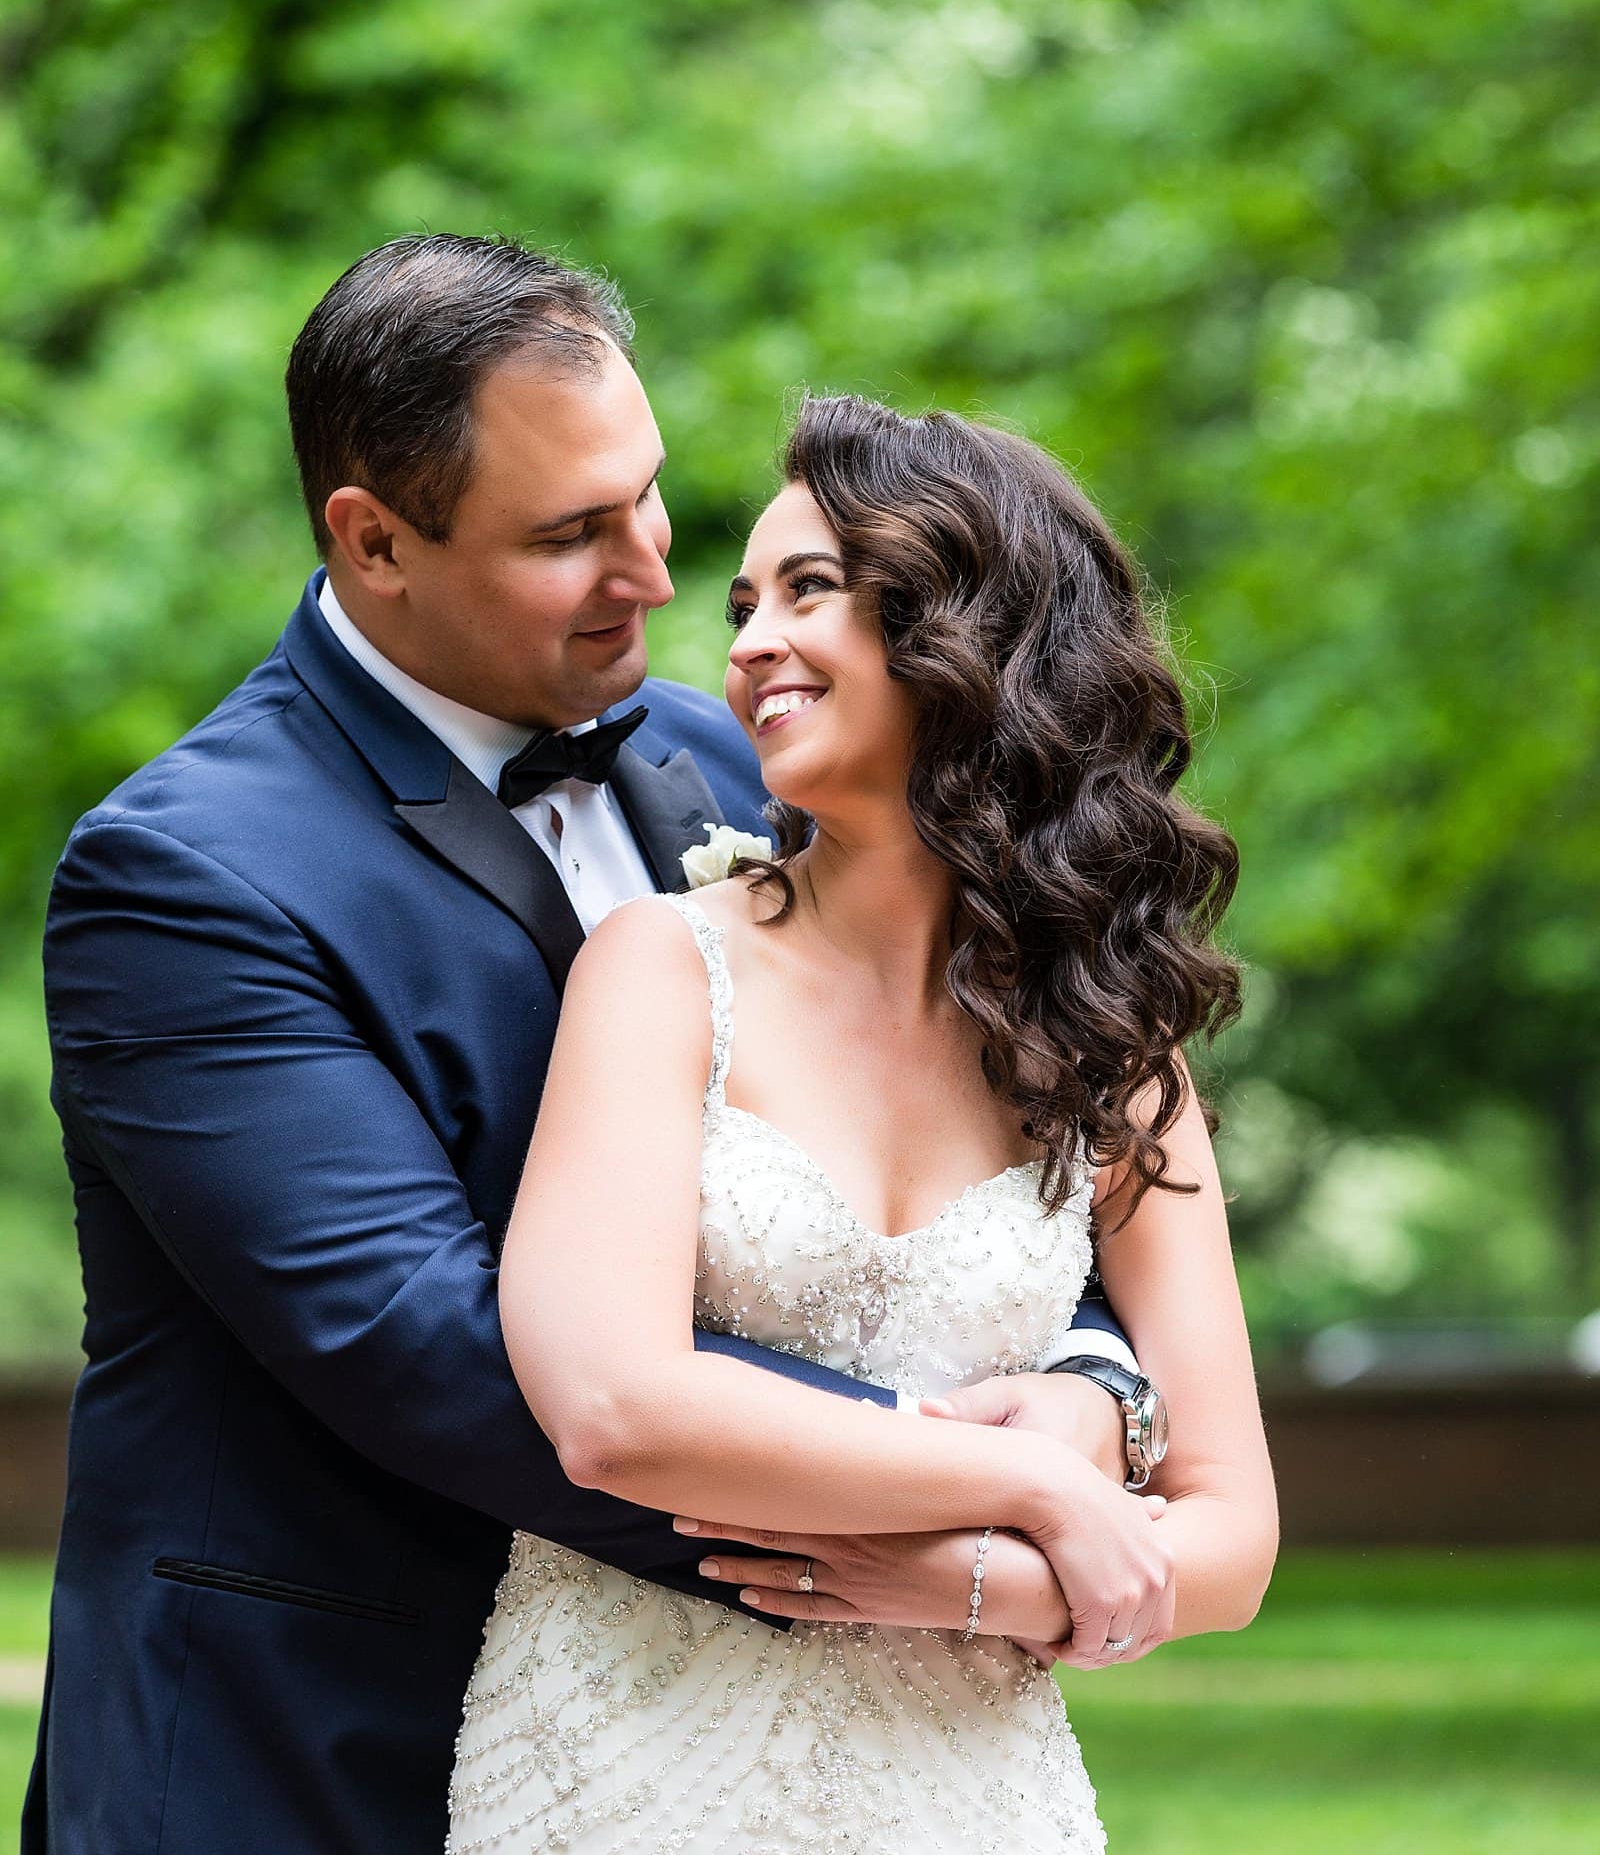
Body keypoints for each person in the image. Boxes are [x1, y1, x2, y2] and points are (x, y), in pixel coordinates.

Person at [27, 238, 1141, 1855]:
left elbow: (984, 1119)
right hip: (314, 1745)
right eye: (570, 535)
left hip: (746, 1745)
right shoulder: (186, 877)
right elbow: (434, 1351)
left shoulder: (725, 758)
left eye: (646, 496)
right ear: (374, 539)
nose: (656, 574)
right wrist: (972, 1503)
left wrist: (1100, 1395)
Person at [448, 392, 1279, 1853]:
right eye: (745, 601)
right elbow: (614, 1407)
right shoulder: (663, 968)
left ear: (976, 629)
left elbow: (1231, 1536)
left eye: (811, 590)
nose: (748, 640)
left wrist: (978, 1585)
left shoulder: (1112, 1046)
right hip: (630, 1764)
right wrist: (1030, 1480)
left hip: (970, 1783)